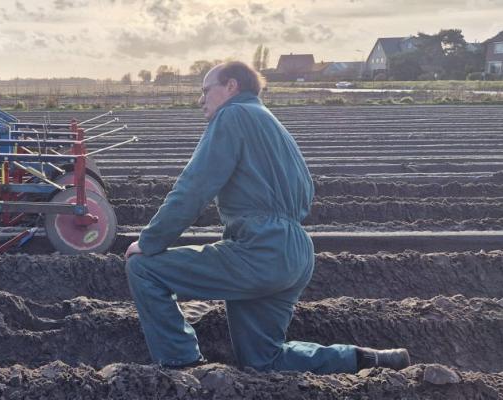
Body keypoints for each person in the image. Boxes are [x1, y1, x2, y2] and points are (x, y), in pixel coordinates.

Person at [123, 61, 410, 373]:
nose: (200, 100)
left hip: (259, 250)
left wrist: (150, 241)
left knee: (144, 268)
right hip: (295, 253)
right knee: (262, 359)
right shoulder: (271, 123)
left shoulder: (232, 115)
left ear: (231, 86)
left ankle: (182, 366)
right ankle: (367, 359)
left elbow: (194, 188)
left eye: (206, 90)